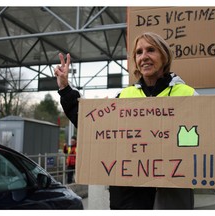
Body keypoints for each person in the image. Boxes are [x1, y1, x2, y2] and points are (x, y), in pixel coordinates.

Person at [54, 32, 197, 209]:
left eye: (151, 50)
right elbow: (89, 124)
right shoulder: (123, 96)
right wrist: (65, 88)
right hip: (129, 198)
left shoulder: (188, 94)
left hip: (172, 195)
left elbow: (204, 139)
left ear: (164, 56)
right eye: (138, 52)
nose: (144, 57)